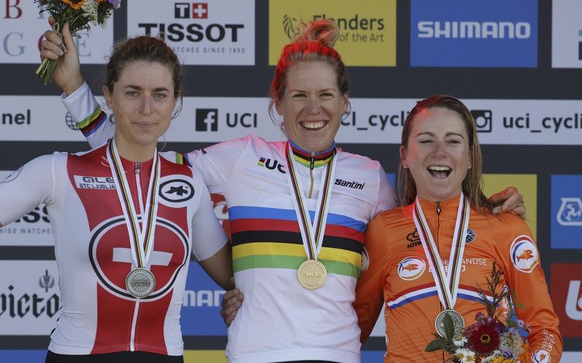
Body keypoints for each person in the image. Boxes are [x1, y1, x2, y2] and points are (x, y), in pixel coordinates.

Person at [40, 19, 525, 362]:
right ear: (278, 102)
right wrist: (75, 91)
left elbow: (431, 229)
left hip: (337, 355)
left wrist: (490, 215)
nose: (313, 108)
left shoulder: (371, 177)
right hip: (254, 355)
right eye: (298, 95)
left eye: (325, 95)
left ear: (345, 102)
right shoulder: (236, 159)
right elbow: (138, 162)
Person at [1, 35, 233, 362]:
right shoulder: (57, 171)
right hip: (77, 354)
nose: (146, 108)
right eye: (133, 93)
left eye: (160, 95)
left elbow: (234, 276)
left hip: (164, 355)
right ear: (109, 97)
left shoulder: (189, 181)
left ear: (176, 100)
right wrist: (73, 87)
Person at [354, 95, 562, 362]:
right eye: (426, 140)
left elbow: (543, 330)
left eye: (453, 141)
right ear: (405, 155)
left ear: (470, 157)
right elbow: (352, 331)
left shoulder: (506, 227)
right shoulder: (383, 231)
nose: (439, 151)